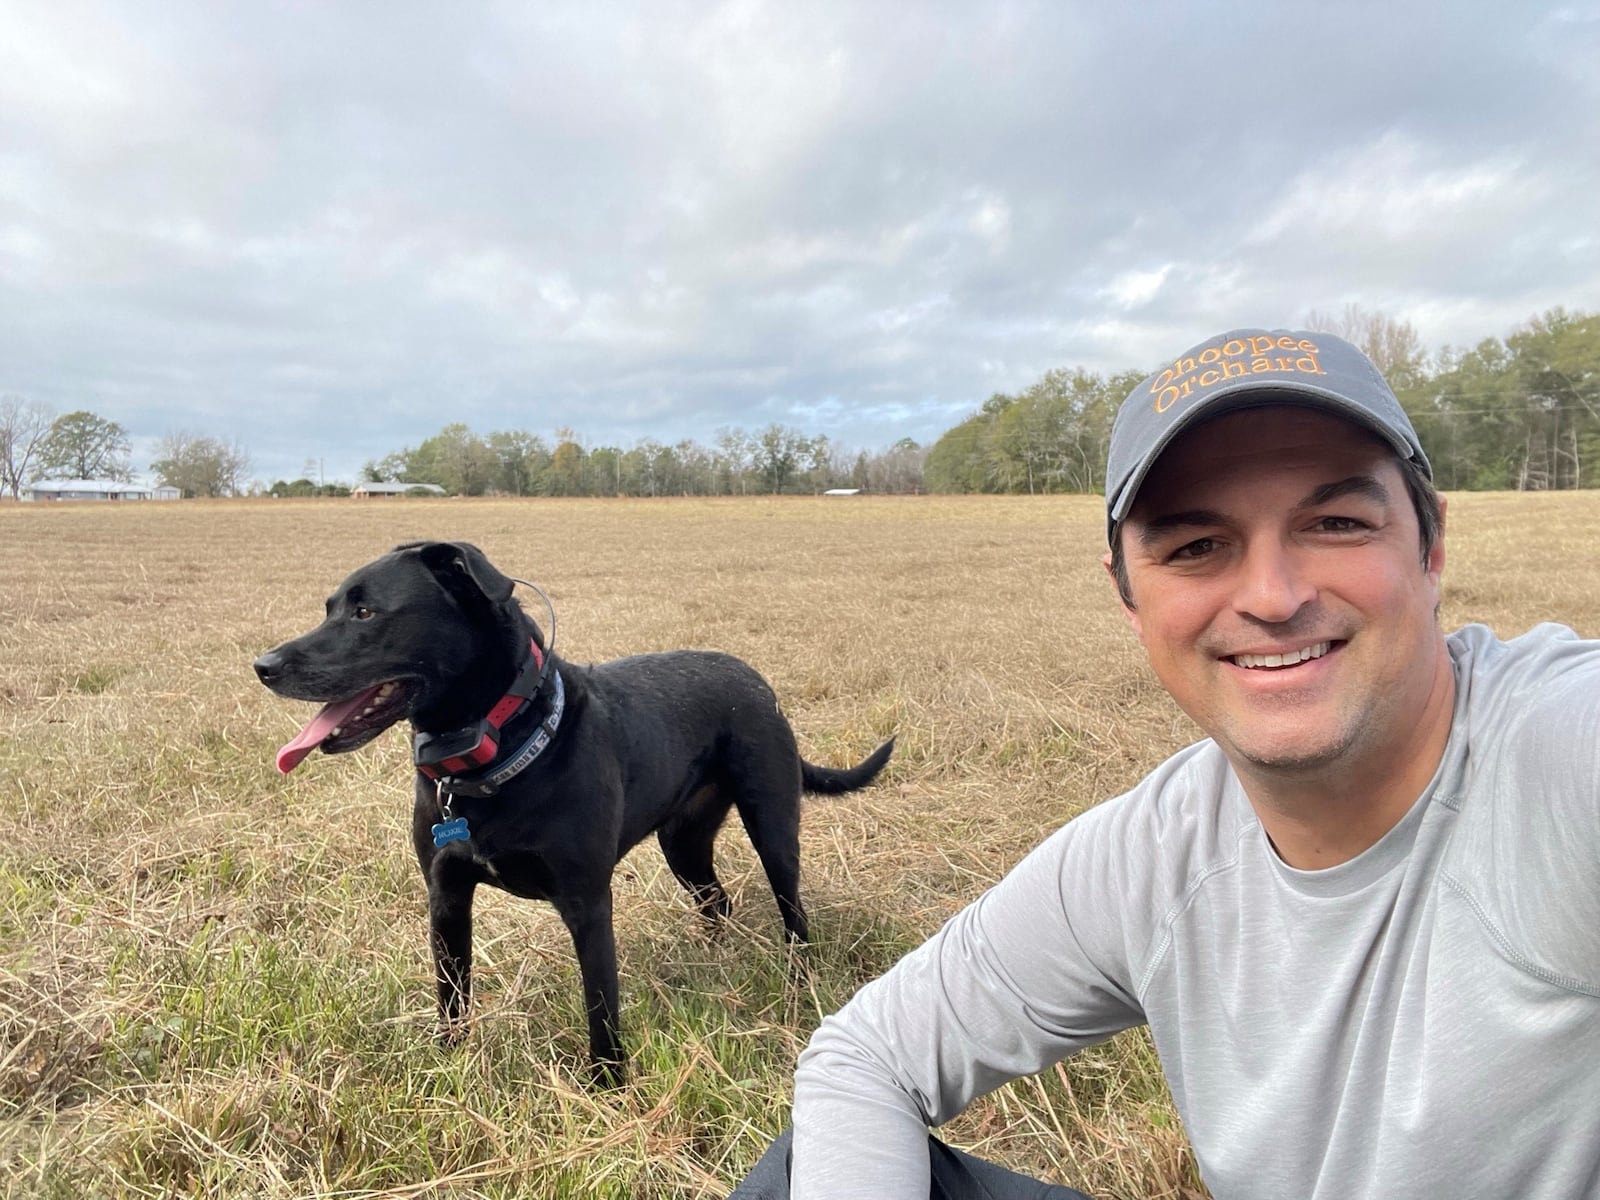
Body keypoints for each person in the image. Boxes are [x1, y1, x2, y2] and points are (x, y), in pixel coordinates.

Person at [730, 328, 1600, 1199]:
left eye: (1336, 523)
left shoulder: (1553, 756)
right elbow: (866, 1053)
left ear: (1430, 546)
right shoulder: (1157, 854)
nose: (1272, 596)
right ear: (1128, 597)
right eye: (1195, 547)